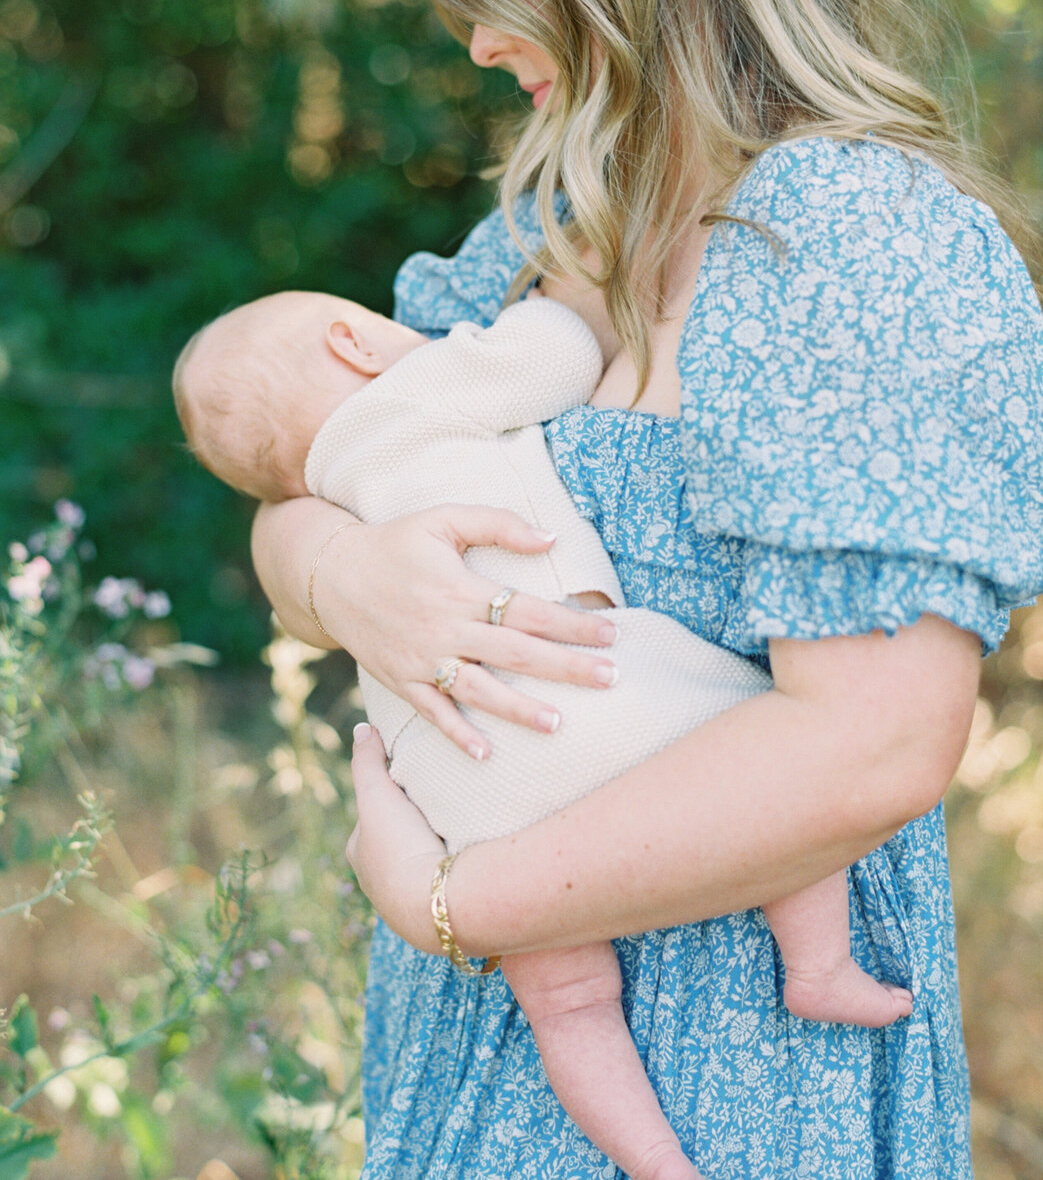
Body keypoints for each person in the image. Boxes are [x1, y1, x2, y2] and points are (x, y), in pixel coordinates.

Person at [250, 0, 1043, 1177]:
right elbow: (311, 465)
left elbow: (874, 746)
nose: (475, 42)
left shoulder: (848, 244)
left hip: (736, 1072)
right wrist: (336, 579)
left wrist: (457, 904)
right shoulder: (542, 241)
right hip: (487, 1037)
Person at [174, 286, 914, 1180]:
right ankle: (817, 965)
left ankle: (656, 1161)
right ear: (353, 340)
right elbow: (555, 352)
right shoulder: (422, 388)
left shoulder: (328, 488)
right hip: (582, 706)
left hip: (464, 791)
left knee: (565, 1003)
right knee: (794, 763)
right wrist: (556, 311)